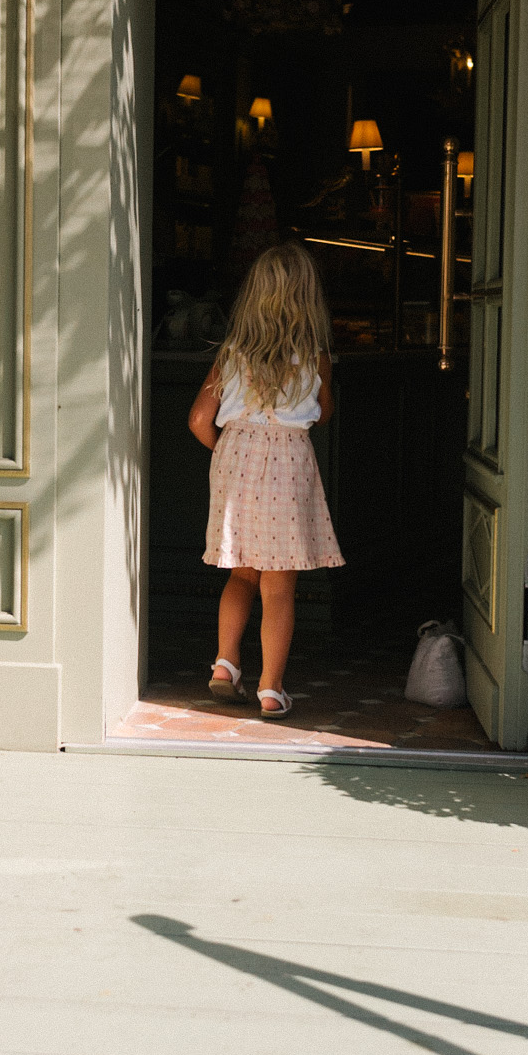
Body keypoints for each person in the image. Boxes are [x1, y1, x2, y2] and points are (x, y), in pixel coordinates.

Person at [187, 241, 344, 719]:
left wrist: (232, 456)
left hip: (235, 458)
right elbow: (322, 415)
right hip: (289, 464)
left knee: (240, 573)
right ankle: (271, 688)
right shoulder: (315, 358)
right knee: (279, 587)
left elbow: (198, 419)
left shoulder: (230, 356)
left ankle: (224, 664)